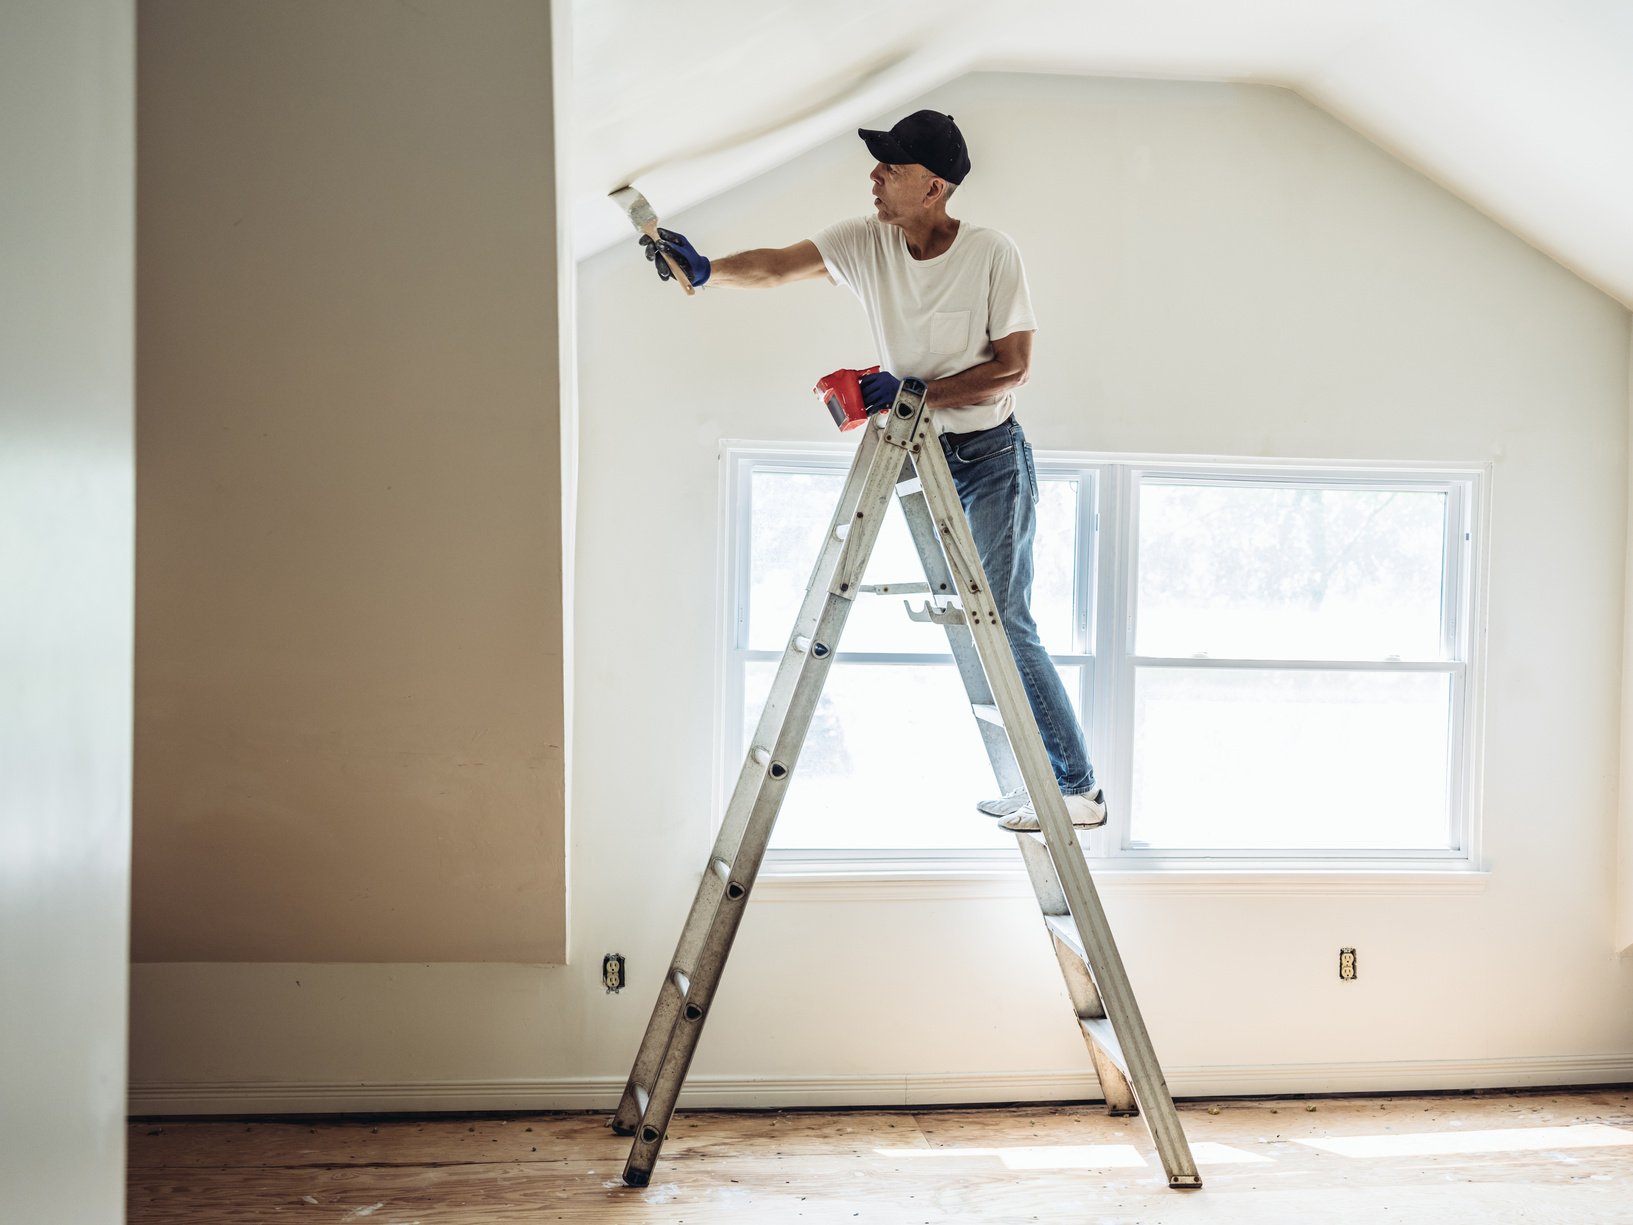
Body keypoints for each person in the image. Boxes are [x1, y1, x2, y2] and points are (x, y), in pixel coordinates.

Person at [638, 109, 1104, 832]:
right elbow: (776, 266)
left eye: (892, 166)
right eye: (879, 163)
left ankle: (1077, 789)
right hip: (916, 454)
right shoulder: (866, 242)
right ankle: (1033, 786)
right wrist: (707, 270)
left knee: (1004, 620)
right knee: (973, 628)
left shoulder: (989, 254)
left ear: (935, 186)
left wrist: (916, 393)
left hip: (987, 458)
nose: (875, 176)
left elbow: (1012, 368)